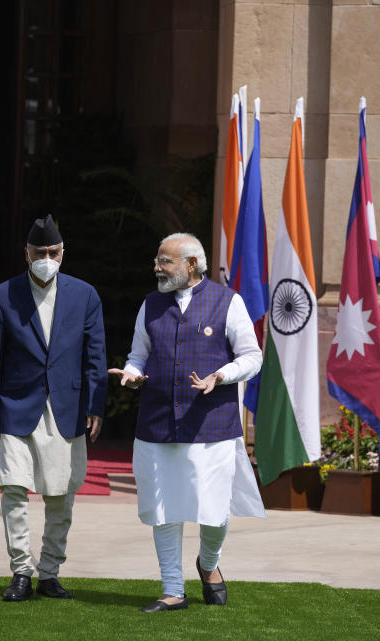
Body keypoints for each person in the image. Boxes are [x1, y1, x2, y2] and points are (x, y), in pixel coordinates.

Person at [108, 232, 265, 613]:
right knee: (164, 508)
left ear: (191, 265)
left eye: (165, 261)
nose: (157, 268)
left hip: (210, 425)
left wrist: (221, 376)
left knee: (213, 510)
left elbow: (252, 356)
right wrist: (132, 372)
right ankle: (172, 588)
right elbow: (138, 353)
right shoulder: (150, 304)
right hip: (158, 421)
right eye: (157, 260)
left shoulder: (228, 301)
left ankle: (208, 564)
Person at [0, 214, 107, 602]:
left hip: (67, 406)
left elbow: (95, 356)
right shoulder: (2, 296)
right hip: (17, 406)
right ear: (26, 254)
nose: (47, 258)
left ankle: (49, 573)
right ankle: (21, 571)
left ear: (63, 253)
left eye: (53, 252)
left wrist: (96, 405)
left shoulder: (85, 295)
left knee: (60, 496)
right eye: (40, 252)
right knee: (13, 489)